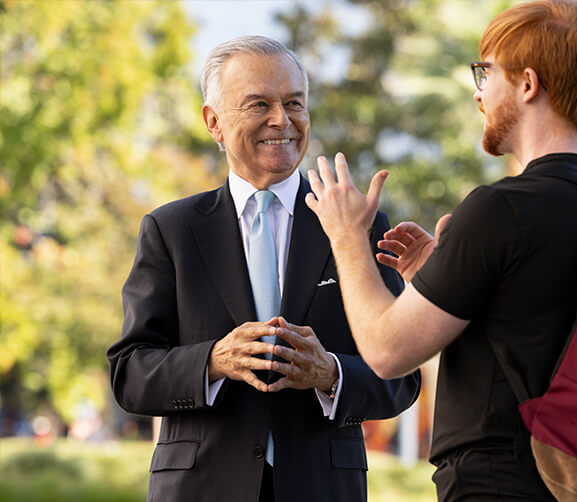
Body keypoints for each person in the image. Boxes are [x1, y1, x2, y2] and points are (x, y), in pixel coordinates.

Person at [304, 1, 577, 500]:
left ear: (527, 84)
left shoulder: (501, 209)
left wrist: (345, 236)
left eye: (486, 72)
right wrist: (440, 281)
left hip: (499, 485)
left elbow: (387, 353)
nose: (478, 92)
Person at [107, 36, 420, 502]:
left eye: (294, 103)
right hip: (200, 488)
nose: (282, 119)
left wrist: (330, 374)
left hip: (322, 487)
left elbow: (401, 378)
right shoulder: (170, 229)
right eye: (258, 104)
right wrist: (213, 361)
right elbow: (130, 373)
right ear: (213, 122)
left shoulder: (358, 223)